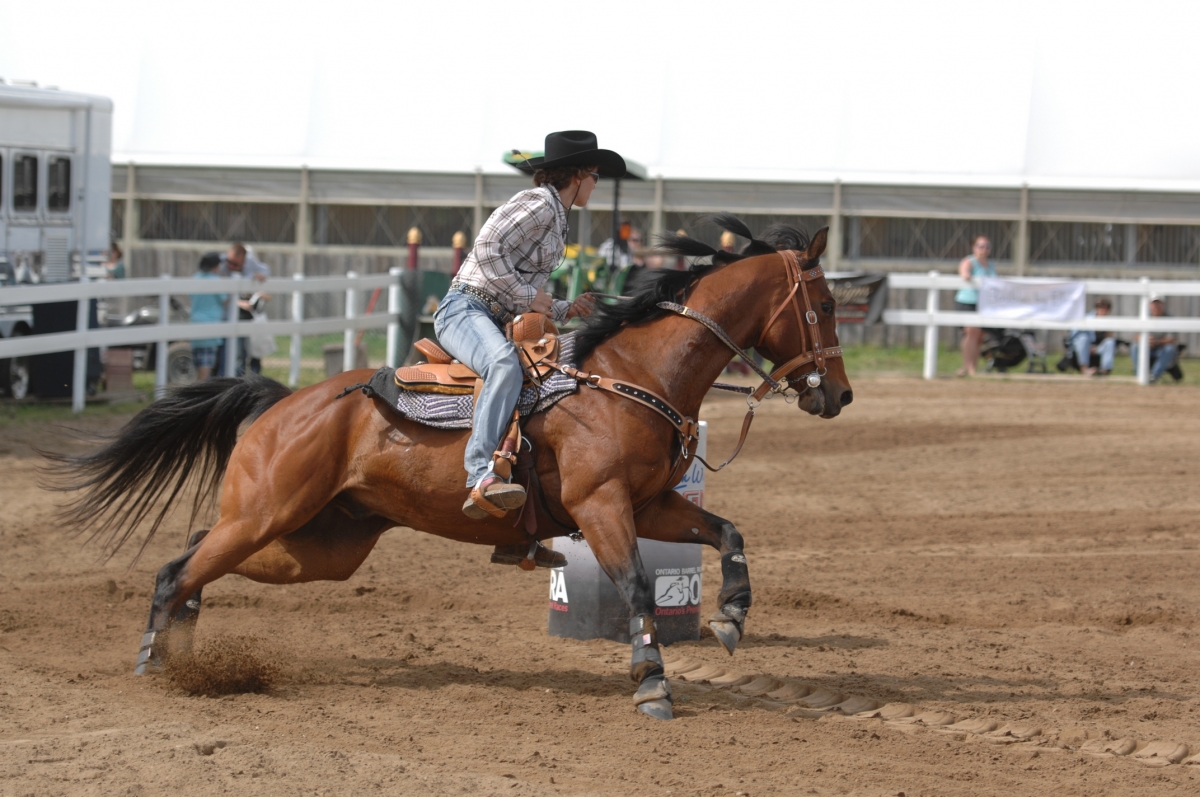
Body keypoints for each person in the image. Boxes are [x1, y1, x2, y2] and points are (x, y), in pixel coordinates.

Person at [434, 130, 620, 563]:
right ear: (578, 175)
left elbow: (525, 289)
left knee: (545, 385)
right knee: (503, 365)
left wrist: (567, 308)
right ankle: (479, 473)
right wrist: (528, 296)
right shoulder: (539, 203)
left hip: (493, 316)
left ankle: (519, 531)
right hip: (464, 309)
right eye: (594, 176)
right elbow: (487, 247)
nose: (596, 185)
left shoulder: (556, 215)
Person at [220, 243, 270, 375]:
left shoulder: (250, 264)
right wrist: (239, 302)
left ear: (244, 260)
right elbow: (223, 296)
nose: (231, 266)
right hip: (225, 316)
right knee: (234, 353)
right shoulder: (221, 264)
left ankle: (247, 378)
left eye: (236, 264)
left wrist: (257, 275)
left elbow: (265, 271)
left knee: (250, 351)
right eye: (230, 262)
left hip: (246, 316)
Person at [954, 235, 998, 377]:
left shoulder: (990, 264)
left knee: (978, 336)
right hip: (967, 301)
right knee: (971, 333)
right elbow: (964, 273)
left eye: (987, 246)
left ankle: (969, 367)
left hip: (983, 304)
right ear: (974, 247)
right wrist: (967, 275)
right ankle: (969, 367)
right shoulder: (969, 261)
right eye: (981, 246)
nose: (984, 249)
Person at [190, 253, 228, 381]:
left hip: (195, 323)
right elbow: (224, 299)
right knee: (205, 367)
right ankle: (200, 391)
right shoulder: (216, 281)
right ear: (216, 266)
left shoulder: (195, 278)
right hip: (211, 325)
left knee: (198, 363)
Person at [1131, 297, 1182, 383]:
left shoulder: (1170, 319)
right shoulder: (1145, 317)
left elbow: (1172, 339)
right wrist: (1145, 340)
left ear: (1163, 305)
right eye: (1154, 303)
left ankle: (1154, 376)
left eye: (1158, 303)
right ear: (1150, 305)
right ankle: (1139, 375)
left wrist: (1156, 341)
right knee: (1135, 347)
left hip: (1162, 350)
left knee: (1169, 349)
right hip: (1148, 349)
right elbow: (1136, 336)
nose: (1156, 306)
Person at [1065, 298, 1116, 376]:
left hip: (1098, 348)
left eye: (1105, 308)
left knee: (1110, 342)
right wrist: (1088, 346)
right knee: (1083, 338)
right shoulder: (1087, 319)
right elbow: (1074, 336)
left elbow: (1107, 338)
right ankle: (1084, 369)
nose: (1103, 311)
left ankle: (1105, 370)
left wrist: (1096, 348)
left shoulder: (1110, 322)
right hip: (1083, 347)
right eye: (1100, 308)